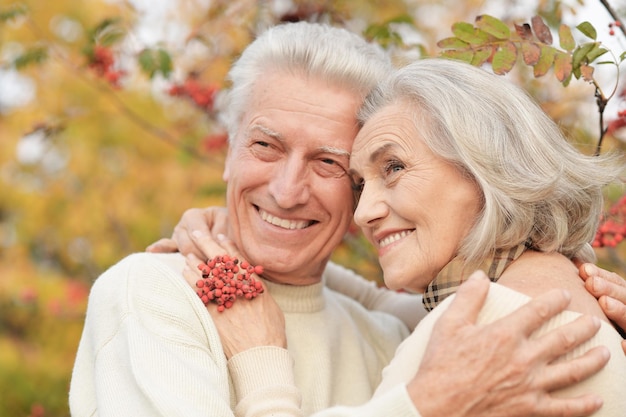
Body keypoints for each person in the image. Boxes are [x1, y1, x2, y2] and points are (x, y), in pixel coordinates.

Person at [70, 22, 615, 417]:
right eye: (264, 146)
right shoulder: (153, 292)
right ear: (227, 153)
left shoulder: (422, 335)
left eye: (330, 163)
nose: (286, 191)